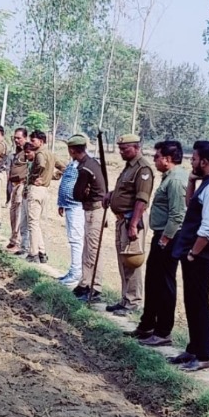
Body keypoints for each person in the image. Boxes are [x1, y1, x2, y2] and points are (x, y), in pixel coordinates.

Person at [168, 140, 209, 372]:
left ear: (204, 161)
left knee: (199, 304)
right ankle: (193, 349)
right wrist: (192, 182)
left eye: (193, 159)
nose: (190, 162)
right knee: (192, 302)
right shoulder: (206, 184)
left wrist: (194, 253)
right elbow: (190, 205)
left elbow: (208, 228)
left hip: (200, 256)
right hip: (194, 254)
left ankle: (203, 356)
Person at [133, 141, 188, 346]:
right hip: (162, 235)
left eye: (157, 157)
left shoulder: (176, 180)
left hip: (170, 238)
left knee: (164, 284)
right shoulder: (169, 177)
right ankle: (147, 325)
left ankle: (163, 331)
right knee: (153, 281)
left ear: (167, 158)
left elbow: (177, 214)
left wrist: (165, 239)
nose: (154, 160)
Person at [104, 134, 155, 316]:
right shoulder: (129, 167)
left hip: (132, 221)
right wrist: (111, 194)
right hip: (122, 220)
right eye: (120, 149)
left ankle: (133, 302)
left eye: (125, 149)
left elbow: (142, 199)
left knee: (132, 261)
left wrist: (133, 224)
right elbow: (125, 191)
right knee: (123, 261)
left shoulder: (143, 169)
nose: (121, 152)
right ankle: (125, 299)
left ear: (136, 147)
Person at [68, 135, 107, 303]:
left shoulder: (85, 169)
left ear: (72, 150)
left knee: (92, 250)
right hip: (93, 209)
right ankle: (85, 283)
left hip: (94, 211)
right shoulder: (91, 163)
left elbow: (76, 194)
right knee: (88, 249)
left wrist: (82, 194)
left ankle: (94, 287)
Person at [24, 131, 64, 263]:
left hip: (35, 189)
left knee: (32, 223)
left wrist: (35, 176)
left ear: (41, 141)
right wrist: (53, 176)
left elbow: (40, 165)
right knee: (36, 223)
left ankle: (33, 253)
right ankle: (42, 252)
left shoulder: (40, 154)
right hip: (45, 191)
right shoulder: (51, 154)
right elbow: (63, 167)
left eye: (34, 140)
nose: (31, 142)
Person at [56, 138, 84, 285]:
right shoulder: (73, 163)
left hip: (77, 207)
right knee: (73, 239)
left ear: (72, 149)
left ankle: (76, 273)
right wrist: (61, 203)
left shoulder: (84, 164)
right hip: (68, 205)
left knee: (76, 240)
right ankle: (73, 271)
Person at [6, 128, 30, 255]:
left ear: (25, 138)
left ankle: (19, 242)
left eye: (19, 138)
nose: (16, 140)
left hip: (22, 185)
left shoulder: (28, 152)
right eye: (15, 138)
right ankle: (13, 239)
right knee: (13, 213)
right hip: (14, 185)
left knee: (19, 214)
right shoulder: (15, 152)